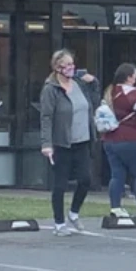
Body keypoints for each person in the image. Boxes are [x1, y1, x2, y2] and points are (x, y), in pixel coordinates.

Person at [38, 49, 98, 236]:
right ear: (57, 67)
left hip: (83, 140)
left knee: (85, 179)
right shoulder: (51, 89)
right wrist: (46, 143)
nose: (72, 68)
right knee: (60, 184)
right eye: (67, 65)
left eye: (73, 64)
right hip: (62, 142)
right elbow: (46, 117)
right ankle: (59, 223)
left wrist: (94, 83)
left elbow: (93, 102)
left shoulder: (79, 84)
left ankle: (74, 212)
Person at [101, 63, 136, 218]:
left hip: (111, 139)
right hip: (134, 138)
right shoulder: (134, 93)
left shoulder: (109, 93)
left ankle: (116, 207)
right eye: (135, 75)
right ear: (129, 77)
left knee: (117, 174)